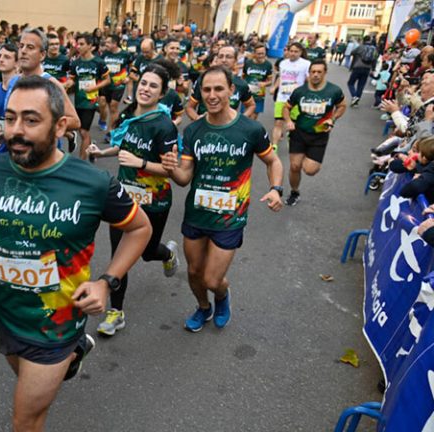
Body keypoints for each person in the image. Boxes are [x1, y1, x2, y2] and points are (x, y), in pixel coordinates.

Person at [0, 75, 152, 432]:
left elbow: (140, 228)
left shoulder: (92, 182)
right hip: (6, 313)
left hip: (57, 323)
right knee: (24, 381)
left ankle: (71, 349)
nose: (16, 130)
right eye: (10, 117)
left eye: (31, 120)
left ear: (61, 125)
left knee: (25, 418)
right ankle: (74, 356)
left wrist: (106, 282)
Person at [161, 65, 284, 332]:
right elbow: (184, 179)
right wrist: (171, 168)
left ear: (232, 90)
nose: (212, 95)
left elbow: (273, 161)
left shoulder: (250, 129)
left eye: (219, 89)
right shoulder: (194, 131)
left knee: (212, 279)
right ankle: (203, 308)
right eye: (206, 89)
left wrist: (276, 189)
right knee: (194, 274)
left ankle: (221, 296)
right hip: (197, 213)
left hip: (230, 216)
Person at [87, 63, 180, 336]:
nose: (146, 89)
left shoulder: (164, 126)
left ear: (162, 94)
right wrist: (102, 152)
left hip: (155, 200)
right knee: (120, 256)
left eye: (154, 86)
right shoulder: (130, 115)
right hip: (125, 198)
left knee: (148, 252)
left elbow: (170, 170)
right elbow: (123, 147)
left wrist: (140, 162)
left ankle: (167, 253)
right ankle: (116, 313)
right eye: (144, 83)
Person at [282, 59, 346, 205]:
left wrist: (333, 119)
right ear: (309, 73)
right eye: (313, 72)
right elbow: (286, 108)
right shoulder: (300, 91)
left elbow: (342, 106)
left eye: (319, 72)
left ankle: (309, 159)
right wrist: (288, 121)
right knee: (294, 166)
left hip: (319, 134)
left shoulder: (334, 91)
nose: (316, 75)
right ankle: (294, 192)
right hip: (299, 132)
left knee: (310, 170)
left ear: (325, 73)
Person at [67, 33, 110, 160]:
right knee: (80, 130)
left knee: (84, 132)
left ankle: (82, 163)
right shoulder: (76, 63)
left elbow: (107, 80)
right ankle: (91, 147)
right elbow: (72, 80)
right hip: (78, 100)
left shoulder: (98, 62)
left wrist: (94, 87)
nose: (78, 47)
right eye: (77, 44)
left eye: (82, 44)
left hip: (91, 101)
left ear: (90, 46)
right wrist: (66, 84)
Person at [187, 45, 255, 120]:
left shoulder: (241, 84)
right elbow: (190, 107)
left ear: (235, 61)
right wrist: (197, 118)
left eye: (228, 57)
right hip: (206, 128)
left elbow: (251, 105)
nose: (224, 60)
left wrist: (240, 120)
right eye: (220, 56)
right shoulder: (203, 80)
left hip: (229, 128)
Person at [271, 42, 310, 152]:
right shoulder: (283, 63)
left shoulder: (306, 64)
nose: (292, 53)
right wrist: (274, 87)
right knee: (278, 122)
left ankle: (292, 139)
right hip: (282, 97)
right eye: (291, 51)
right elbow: (281, 78)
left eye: (296, 51)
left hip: (296, 99)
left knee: (293, 124)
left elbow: (309, 80)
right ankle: (274, 146)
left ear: (300, 52)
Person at [101, 34, 133, 133]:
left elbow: (132, 68)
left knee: (113, 106)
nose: (105, 44)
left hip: (119, 84)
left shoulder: (125, 55)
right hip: (105, 83)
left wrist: (128, 77)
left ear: (115, 44)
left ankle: (111, 131)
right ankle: (102, 119)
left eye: (108, 42)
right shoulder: (105, 54)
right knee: (102, 104)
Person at [242, 43, 273, 120]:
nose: (261, 56)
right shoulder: (248, 63)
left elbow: (270, 81)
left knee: (253, 118)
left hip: (259, 95)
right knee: (244, 117)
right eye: (259, 54)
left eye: (263, 53)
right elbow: (243, 77)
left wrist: (264, 83)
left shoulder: (268, 65)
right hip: (247, 95)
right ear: (254, 54)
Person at [348, 35, 379, 107]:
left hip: (358, 67)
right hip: (367, 69)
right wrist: (373, 69)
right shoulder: (374, 49)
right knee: (361, 85)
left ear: (363, 40)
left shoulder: (361, 47)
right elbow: (375, 59)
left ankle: (354, 96)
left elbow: (352, 52)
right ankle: (356, 101)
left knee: (350, 83)